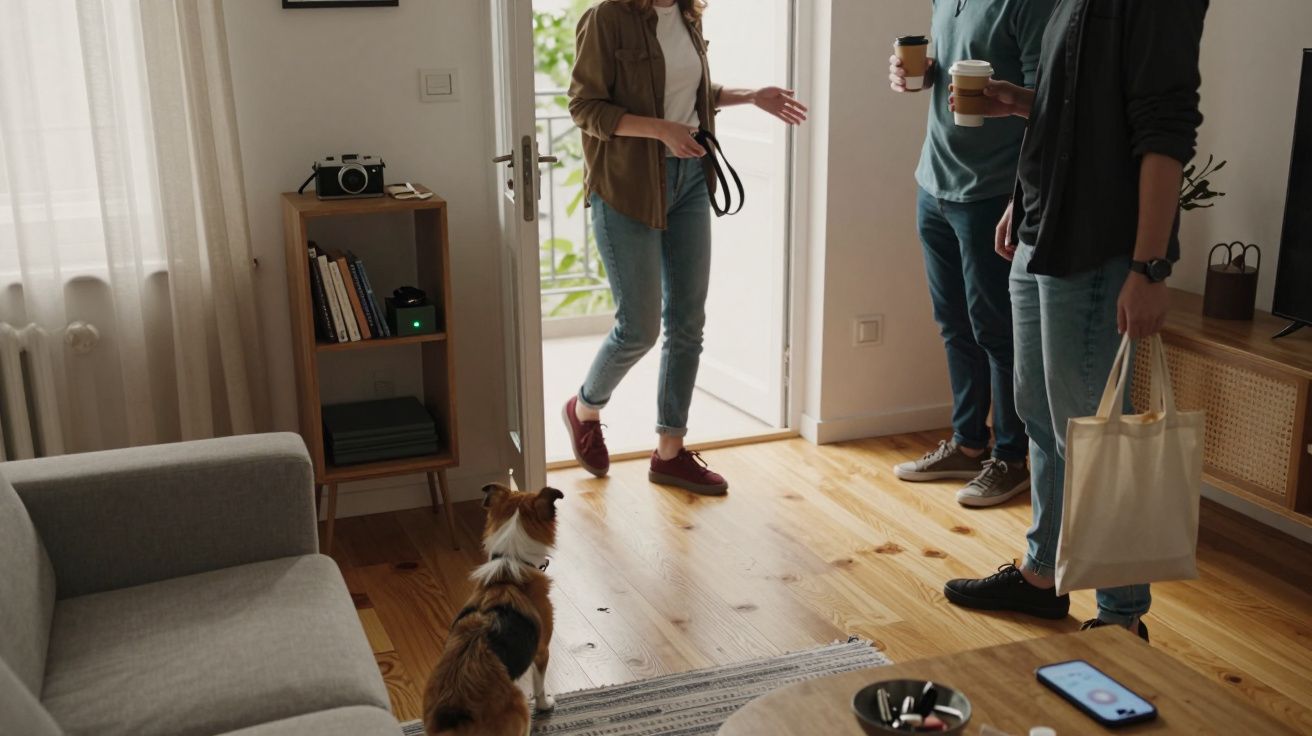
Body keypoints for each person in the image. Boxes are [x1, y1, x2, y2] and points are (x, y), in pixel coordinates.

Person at [943, 0, 1208, 639]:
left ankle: (1121, 620)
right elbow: (1074, 109)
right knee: (1038, 413)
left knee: (1091, 437)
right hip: (1041, 229)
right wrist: (1019, 177)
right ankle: (1042, 575)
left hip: (1097, 248)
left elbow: (1164, 131)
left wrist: (1148, 268)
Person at [564, 0, 806, 495]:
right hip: (626, 185)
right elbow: (584, 108)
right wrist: (660, 130)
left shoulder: (690, 16)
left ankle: (669, 452)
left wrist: (750, 95)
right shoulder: (607, 17)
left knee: (688, 324)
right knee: (638, 328)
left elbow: (692, 95)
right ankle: (585, 406)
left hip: (691, 178)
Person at [888, 0, 1053, 507]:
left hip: (992, 194)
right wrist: (919, 72)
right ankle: (967, 443)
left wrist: (1019, 197)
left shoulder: (1028, 6)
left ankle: (1011, 458)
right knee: (954, 324)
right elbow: (958, 64)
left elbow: (1048, 104)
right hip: (934, 182)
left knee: (995, 331)